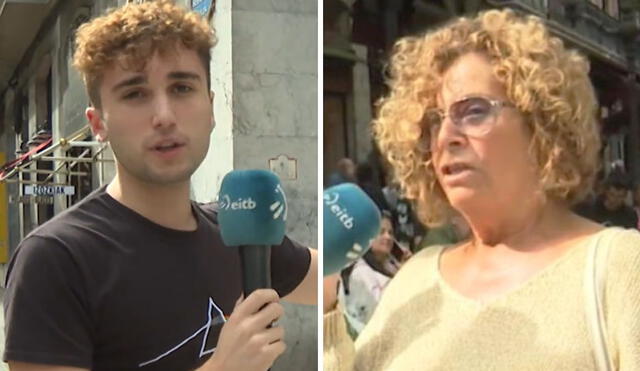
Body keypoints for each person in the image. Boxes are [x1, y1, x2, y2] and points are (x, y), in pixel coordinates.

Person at [3, 2, 317, 371]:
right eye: (135, 94)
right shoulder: (56, 259)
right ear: (98, 123)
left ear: (211, 106)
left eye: (182, 87)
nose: (164, 116)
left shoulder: (239, 235)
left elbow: (329, 276)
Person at [324, 8, 640, 370]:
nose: (445, 137)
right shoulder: (415, 278)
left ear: (540, 124)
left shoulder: (619, 269)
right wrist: (326, 300)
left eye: (473, 111)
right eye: (433, 122)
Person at [337, 212, 408, 338]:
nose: (388, 237)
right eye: (381, 232)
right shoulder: (361, 272)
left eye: (391, 233)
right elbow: (381, 308)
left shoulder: (392, 264)